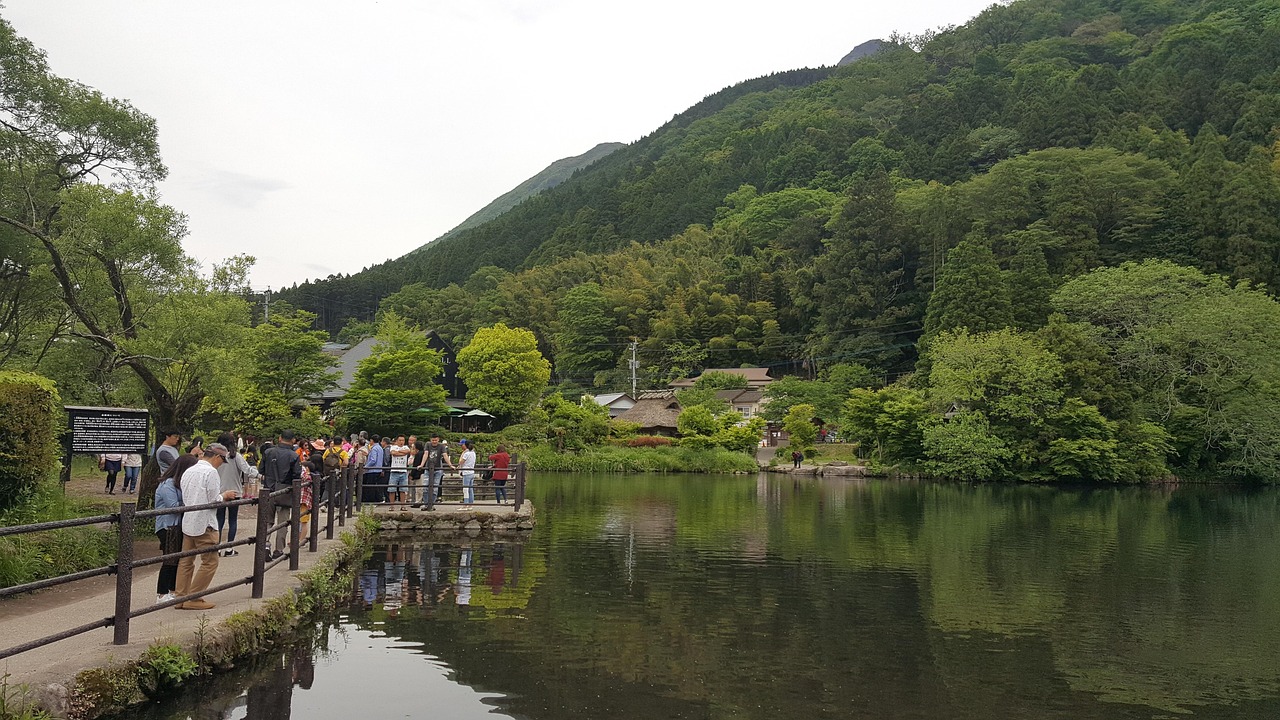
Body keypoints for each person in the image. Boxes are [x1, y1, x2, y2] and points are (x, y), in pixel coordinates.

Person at [174, 444, 238, 610]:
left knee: (186, 561)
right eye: (222, 461)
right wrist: (225, 496)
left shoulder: (189, 470)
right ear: (217, 457)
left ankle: (180, 597)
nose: (221, 464)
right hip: (205, 523)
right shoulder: (211, 473)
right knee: (210, 561)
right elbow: (213, 500)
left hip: (188, 521)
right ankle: (194, 597)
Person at [154, 454, 196, 604]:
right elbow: (172, 506)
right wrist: (190, 503)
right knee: (169, 559)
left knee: (176, 559)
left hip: (177, 526)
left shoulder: (178, 483)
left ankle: (173, 590)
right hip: (167, 526)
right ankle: (161, 593)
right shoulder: (168, 485)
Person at [261, 430, 303, 559]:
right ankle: (278, 549)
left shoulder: (268, 452)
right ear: (293, 440)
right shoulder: (293, 456)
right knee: (283, 522)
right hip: (285, 490)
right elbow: (296, 475)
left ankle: (265, 546)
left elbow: (261, 470)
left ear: (280, 438)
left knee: (267, 521)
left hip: (268, 489)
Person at [215, 432, 257, 557]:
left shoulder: (216, 456)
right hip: (234, 492)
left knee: (219, 520)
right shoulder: (235, 456)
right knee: (232, 520)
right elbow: (247, 470)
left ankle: (217, 547)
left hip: (220, 492)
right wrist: (259, 473)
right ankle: (229, 548)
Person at [424, 435, 452, 505]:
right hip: (428, 467)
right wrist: (422, 464)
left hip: (438, 468)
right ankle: (426, 503)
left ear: (438, 440)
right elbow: (426, 454)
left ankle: (431, 504)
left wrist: (450, 465)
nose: (434, 442)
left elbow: (445, 455)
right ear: (430, 439)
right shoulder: (427, 444)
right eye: (433, 440)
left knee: (435, 488)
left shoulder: (441, 446)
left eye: (435, 440)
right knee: (425, 487)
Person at [387, 435, 410, 510]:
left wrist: (399, 452)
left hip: (403, 471)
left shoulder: (406, 447)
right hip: (394, 471)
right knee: (392, 489)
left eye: (403, 440)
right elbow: (393, 453)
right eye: (400, 440)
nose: (401, 442)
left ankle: (403, 506)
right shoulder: (393, 447)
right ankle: (392, 506)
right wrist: (402, 453)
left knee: (403, 490)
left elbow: (407, 451)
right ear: (397, 441)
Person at [362, 434, 384, 504]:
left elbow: (373, 460)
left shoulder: (374, 448)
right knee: (375, 485)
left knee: (371, 486)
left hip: (372, 470)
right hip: (378, 468)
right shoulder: (380, 448)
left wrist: (366, 466)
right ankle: (378, 499)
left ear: (372, 440)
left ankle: (372, 500)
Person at [458, 439, 477, 505]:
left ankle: (466, 504)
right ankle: (470, 504)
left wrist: (462, 455)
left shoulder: (466, 454)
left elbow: (460, 462)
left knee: (465, 489)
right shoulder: (473, 453)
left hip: (466, 472)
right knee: (470, 489)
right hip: (472, 472)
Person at [408, 440, 426, 506]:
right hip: (421, 472)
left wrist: (412, 474)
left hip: (419, 473)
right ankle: (418, 501)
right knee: (419, 488)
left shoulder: (419, 454)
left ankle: (418, 501)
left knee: (419, 488)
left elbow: (416, 464)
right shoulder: (422, 453)